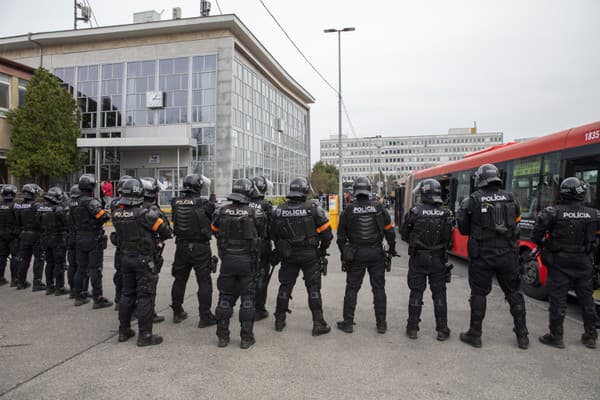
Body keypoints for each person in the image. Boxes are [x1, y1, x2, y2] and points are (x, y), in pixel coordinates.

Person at [457, 163, 529, 349]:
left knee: (479, 293)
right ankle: (522, 336)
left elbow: (463, 230)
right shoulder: (511, 198)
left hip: (482, 255)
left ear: (480, 179)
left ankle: (475, 334)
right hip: (508, 254)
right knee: (514, 293)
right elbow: (517, 225)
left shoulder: (471, 200)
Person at [532, 177, 599, 349]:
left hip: (559, 262)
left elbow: (536, 236)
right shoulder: (594, 214)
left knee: (558, 300)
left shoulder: (552, 212)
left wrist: (546, 244)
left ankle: (556, 336)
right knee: (586, 299)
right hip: (584, 262)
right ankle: (590, 336)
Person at [111, 178, 172, 346]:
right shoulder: (145, 214)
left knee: (127, 294)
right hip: (143, 259)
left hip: (126, 258)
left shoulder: (116, 212)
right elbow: (166, 232)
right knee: (145, 296)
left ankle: (124, 331)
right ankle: (145, 335)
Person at [271, 177, 333, 336]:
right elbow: (327, 233)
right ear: (305, 190)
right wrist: (322, 250)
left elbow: (272, 234)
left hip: (288, 255)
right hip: (309, 255)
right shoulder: (313, 208)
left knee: (285, 286)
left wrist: (281, 248)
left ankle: (279, 320)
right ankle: (318, 323)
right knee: (313, 288)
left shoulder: (279, 210)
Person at [336, 177, 396, 334]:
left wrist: (345, 254)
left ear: (354, 190)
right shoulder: (379, 207)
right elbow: (389, 231)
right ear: (369, 189)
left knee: (352, 288)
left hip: (356, 254)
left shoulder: (348, 210)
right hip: (376, 253)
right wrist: (392, 249)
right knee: (379, 288)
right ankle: (381, 323)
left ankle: (348, 323)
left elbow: (340, 237)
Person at [211, 178, 265, 349]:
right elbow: (262, 234)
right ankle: (246, 338)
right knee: (248, 299)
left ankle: (222, 337)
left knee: (225, 298)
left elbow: (214, 230)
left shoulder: (221, 211)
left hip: (227, 260)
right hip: (247, 261)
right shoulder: (255, 212)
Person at [400, 178, 453, 340]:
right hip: (438, 259)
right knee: (439, 294)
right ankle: (442, 330)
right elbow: (449, 240)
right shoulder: (446, 213)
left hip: (419, 258)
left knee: (416, 292)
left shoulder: (414, 212)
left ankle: (412, 328)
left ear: (424, 193)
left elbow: (404, 234)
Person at [170, 174, 217, 327]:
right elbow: (213, 219)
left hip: (181, 247)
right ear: (199, 186)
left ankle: (177, 312)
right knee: (204, 282)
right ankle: (205, 316)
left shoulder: (175, 202)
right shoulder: (204, 203)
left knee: (179, 279)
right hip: (200, 247)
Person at [72, 174, 112, 309]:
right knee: (95, 269)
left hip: (79, 237)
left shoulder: (74, 201)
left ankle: (78, 296)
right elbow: (103, 216)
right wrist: (106, 212)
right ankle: (97, 298)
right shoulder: (91, 202)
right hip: (92, 237)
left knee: (81, 268)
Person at [140, 176, 169, 323]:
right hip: (147, 253)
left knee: (129, 287)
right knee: (148, 287)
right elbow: (166, 230)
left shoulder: (126, 207)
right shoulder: (152, 210)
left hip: (127, 253)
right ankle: (148, 315)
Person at [249, 176, 274, 320]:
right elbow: (273, 227)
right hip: (262, 246)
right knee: (261, 278)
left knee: (245, 276)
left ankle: (241, 305)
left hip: (245, 246)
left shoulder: (244, 203)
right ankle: (259, 309)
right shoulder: (266, 206)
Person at [37, 187, 70, 296]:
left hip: (45, 237)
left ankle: (49, 286)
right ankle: (59, 287)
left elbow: (38, 223)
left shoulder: (41, 208)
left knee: (49, 263)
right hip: (57, 238)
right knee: (59, 263)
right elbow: (66, 223)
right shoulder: (58, 209)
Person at [15, 184, 44, 291]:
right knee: (39, 258)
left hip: (24, 234)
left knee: (24, 259)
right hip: (36, 235)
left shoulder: (18, 205)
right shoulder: (37, 206)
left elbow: (17, 221)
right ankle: (37, 283)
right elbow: (41, 221)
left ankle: (20, 282)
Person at [109, 176, 132, 309]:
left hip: (120, 239)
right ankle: (124, 301)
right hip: (127, 240)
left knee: (119, 271)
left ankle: (119, 300)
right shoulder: (129, 203)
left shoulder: (114, 203)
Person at [66, 185, 89, 299]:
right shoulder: (83, 204)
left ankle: (73, 290)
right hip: (81, 236)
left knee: (72, 265)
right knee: (82, 266)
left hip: (70, 236)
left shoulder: (68, 204)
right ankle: (81, 290)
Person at [0, 185, 19, 286]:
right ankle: (14, 279)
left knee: (2, 256)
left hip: (1, 234)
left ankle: (0, 278)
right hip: (13, 234)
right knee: (15, 256)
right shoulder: (15, 206)